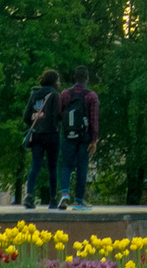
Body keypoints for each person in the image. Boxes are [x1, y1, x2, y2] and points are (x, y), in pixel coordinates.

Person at [57, 66, 99, 210]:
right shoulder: (91, 96)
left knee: (66, 166)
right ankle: (79, 201)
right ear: (86, 78)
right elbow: (94, 118)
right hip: (84, 137)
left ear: (74, 78)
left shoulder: (65, 94)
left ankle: (65, 193)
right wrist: (94, 139)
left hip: (68, 135)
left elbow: (60, 114)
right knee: (82, 167)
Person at [22, 68, 63, 210]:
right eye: (58, 81)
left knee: (35, 166)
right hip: (52, 135)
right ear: (53, 82)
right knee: (52, 167)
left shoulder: (34, 94)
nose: (59, 83)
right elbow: (56, 116)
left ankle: (29, 196)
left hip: (36, 135)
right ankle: (53, 199)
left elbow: (26, 116)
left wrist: (36, 124)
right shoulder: (54, 95)